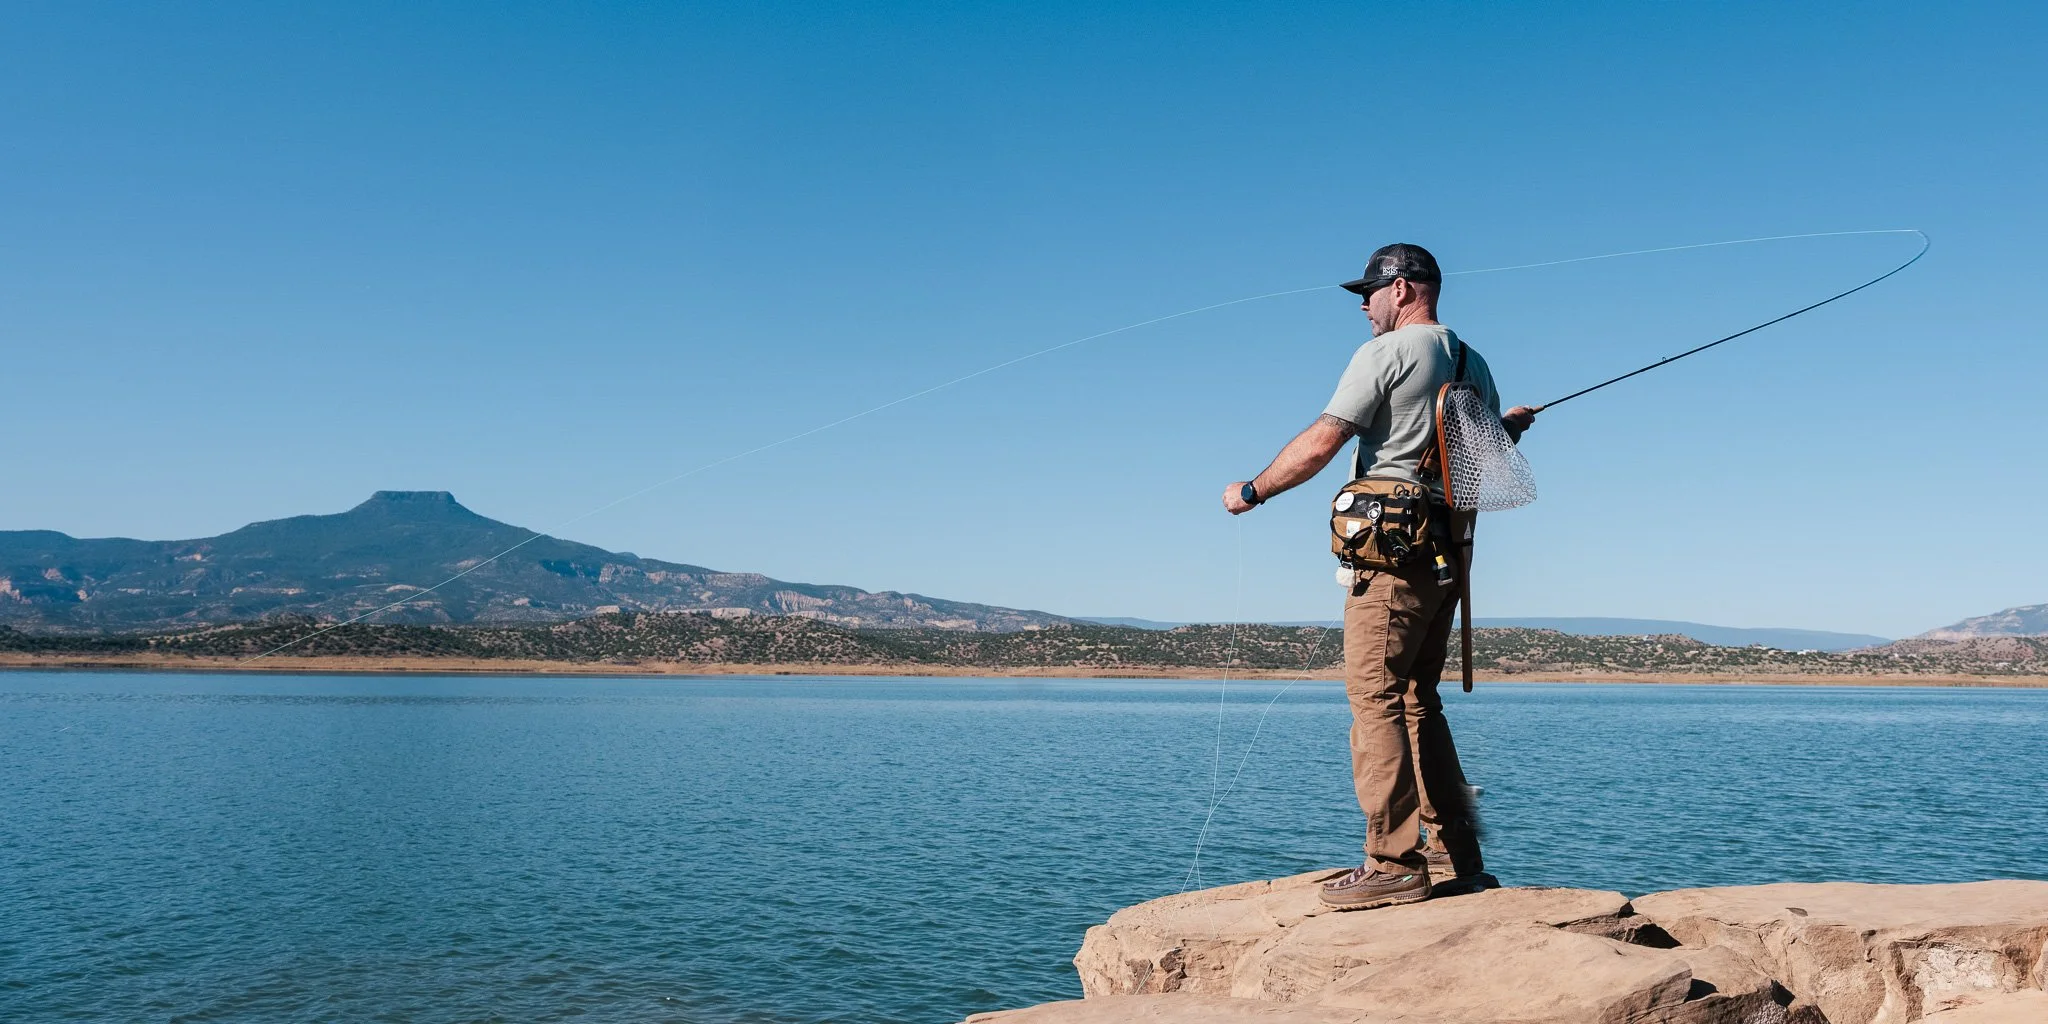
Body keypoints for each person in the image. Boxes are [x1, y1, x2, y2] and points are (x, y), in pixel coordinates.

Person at [1220, 243, 1536, 910]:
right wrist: (1507, 424)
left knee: (1376, 696)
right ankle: (1458, 856)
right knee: (1419, 697)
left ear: (1405, 289)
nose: (1363, 305)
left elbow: (1324, 441)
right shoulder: (1473, 362)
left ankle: (1393, 862)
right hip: (1448, 556)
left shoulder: (1387, 354)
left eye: (1370, 291)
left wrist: (1252, 490)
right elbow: (1482, 457)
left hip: (1392, 557)